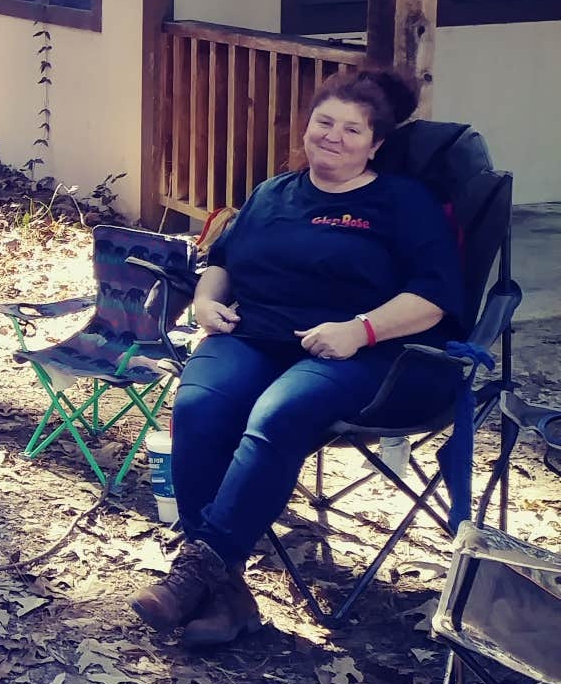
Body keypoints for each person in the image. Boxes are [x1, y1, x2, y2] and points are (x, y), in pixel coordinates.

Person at [133, 68, 464, 648]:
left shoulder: (403, 203)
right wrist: (207, 302)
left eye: (352, 129)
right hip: (255, 335)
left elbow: (434, 297)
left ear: (376, 145)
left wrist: (361, 330)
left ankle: (195, 573)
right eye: (324, 122)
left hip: (366, 352)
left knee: (280, 412)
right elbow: (222, 260)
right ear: (307, 127)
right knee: (199, 406)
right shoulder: (272, 193)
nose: (333, 136)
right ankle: (225, 594)